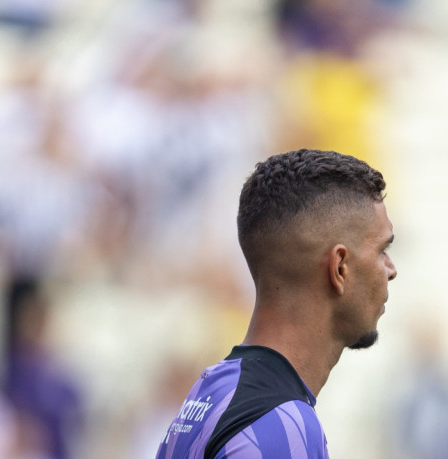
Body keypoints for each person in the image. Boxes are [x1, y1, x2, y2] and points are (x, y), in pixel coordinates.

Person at [156, 148, 398, 458]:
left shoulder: (210, 392)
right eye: (381, 250)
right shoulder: (280, 425)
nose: (391, 269)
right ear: (340, 268)